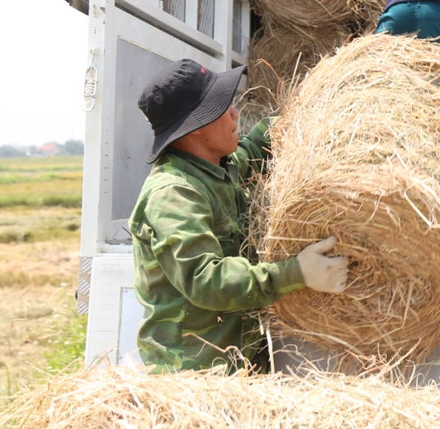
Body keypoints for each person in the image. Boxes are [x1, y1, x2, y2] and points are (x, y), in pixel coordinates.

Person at [128, 58, 349, 372]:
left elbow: (257, 145)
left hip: (239, 360)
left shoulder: (219, 166)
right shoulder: (173, 195)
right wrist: (297, 272)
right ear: (196, 127)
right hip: (195, 372)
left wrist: (316, 106)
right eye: (221, 108)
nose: (234, 113)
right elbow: (206, 281)